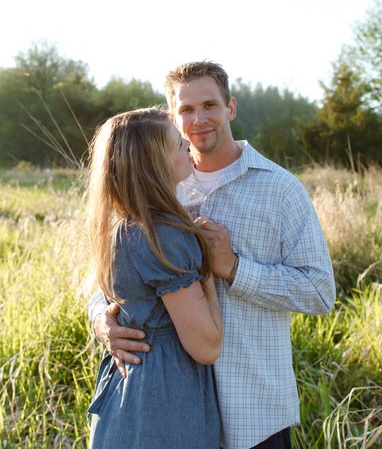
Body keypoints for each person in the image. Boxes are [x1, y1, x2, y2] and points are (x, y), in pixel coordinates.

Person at [88, 61, 336, 448]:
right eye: (186, 110)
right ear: (173, 117)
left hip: (253, 412)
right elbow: (110, 278)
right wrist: (102, 324)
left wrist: (234, 269)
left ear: (230, 108)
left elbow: (320, 292)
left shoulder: (280, 190)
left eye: (210, 105)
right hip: (169, 409)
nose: (199, 119)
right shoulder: (157, 185)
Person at [85, 107, 224, 448]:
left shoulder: (123, 226)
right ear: (154, 163)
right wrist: (208, 268)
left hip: (128, 397)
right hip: (162, 404)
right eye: (178, 145)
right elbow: (207, 347)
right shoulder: (164, 235)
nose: (188, 148)